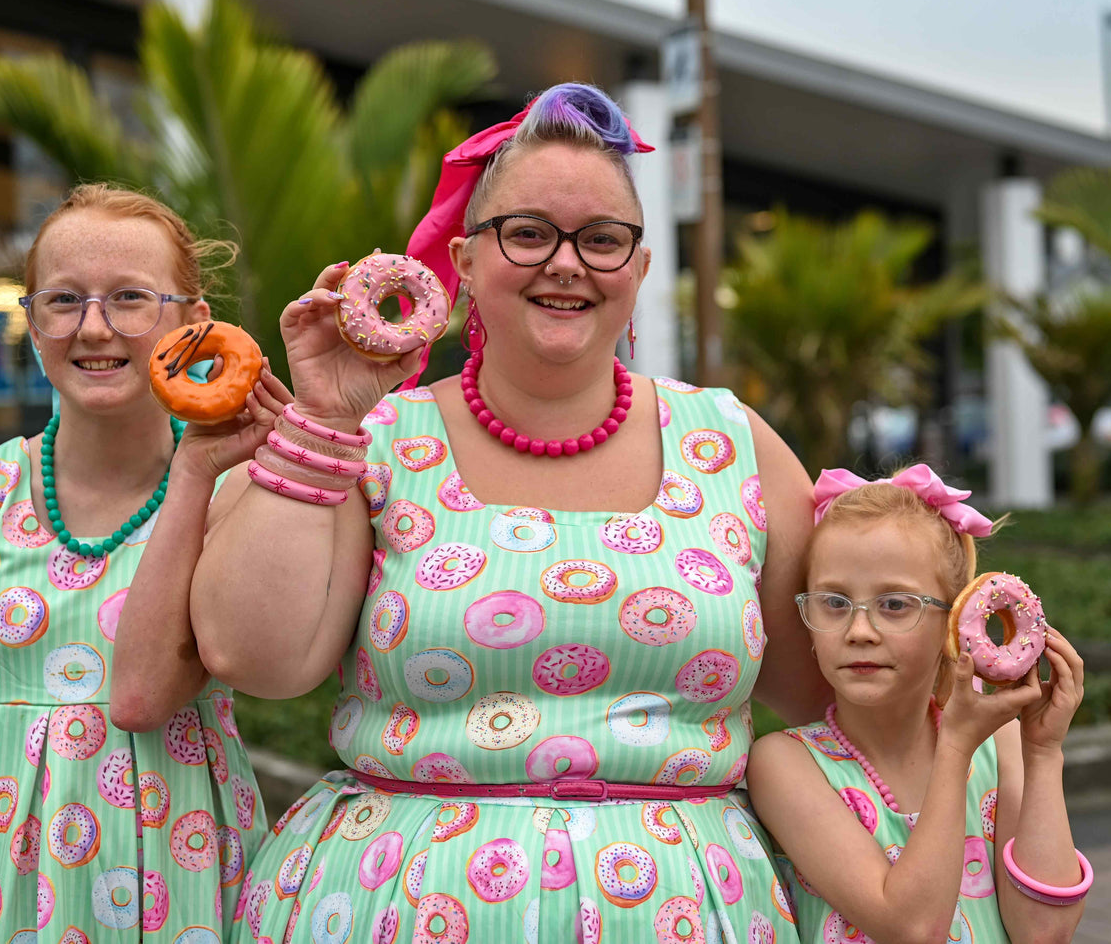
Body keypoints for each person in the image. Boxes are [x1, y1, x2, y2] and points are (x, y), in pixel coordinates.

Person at [188, 83, 829, 941]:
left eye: (603, 240)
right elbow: (252, 657)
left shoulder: (734, 444)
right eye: (527, 233)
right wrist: (324, 419)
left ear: (639, 270)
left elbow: (833, 693)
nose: (566, 263)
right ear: (466, 260)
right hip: (391, 907)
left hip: (690, 911)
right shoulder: (371, 439)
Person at [0, 184, 284, 943]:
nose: (93, 328)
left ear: (195, 323)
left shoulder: (235, 495)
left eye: (130, 297)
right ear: (33, 324)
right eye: (64, 301)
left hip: (187, 882)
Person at [747, 466, 1089, 943]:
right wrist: (955, 748)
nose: (859, 630)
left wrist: (1044, 753)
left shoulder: (1001, 745)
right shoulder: (786, 764)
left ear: (955, 619)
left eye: (895, 605)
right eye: (834, 602)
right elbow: (912, 928)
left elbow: (1045, 931)